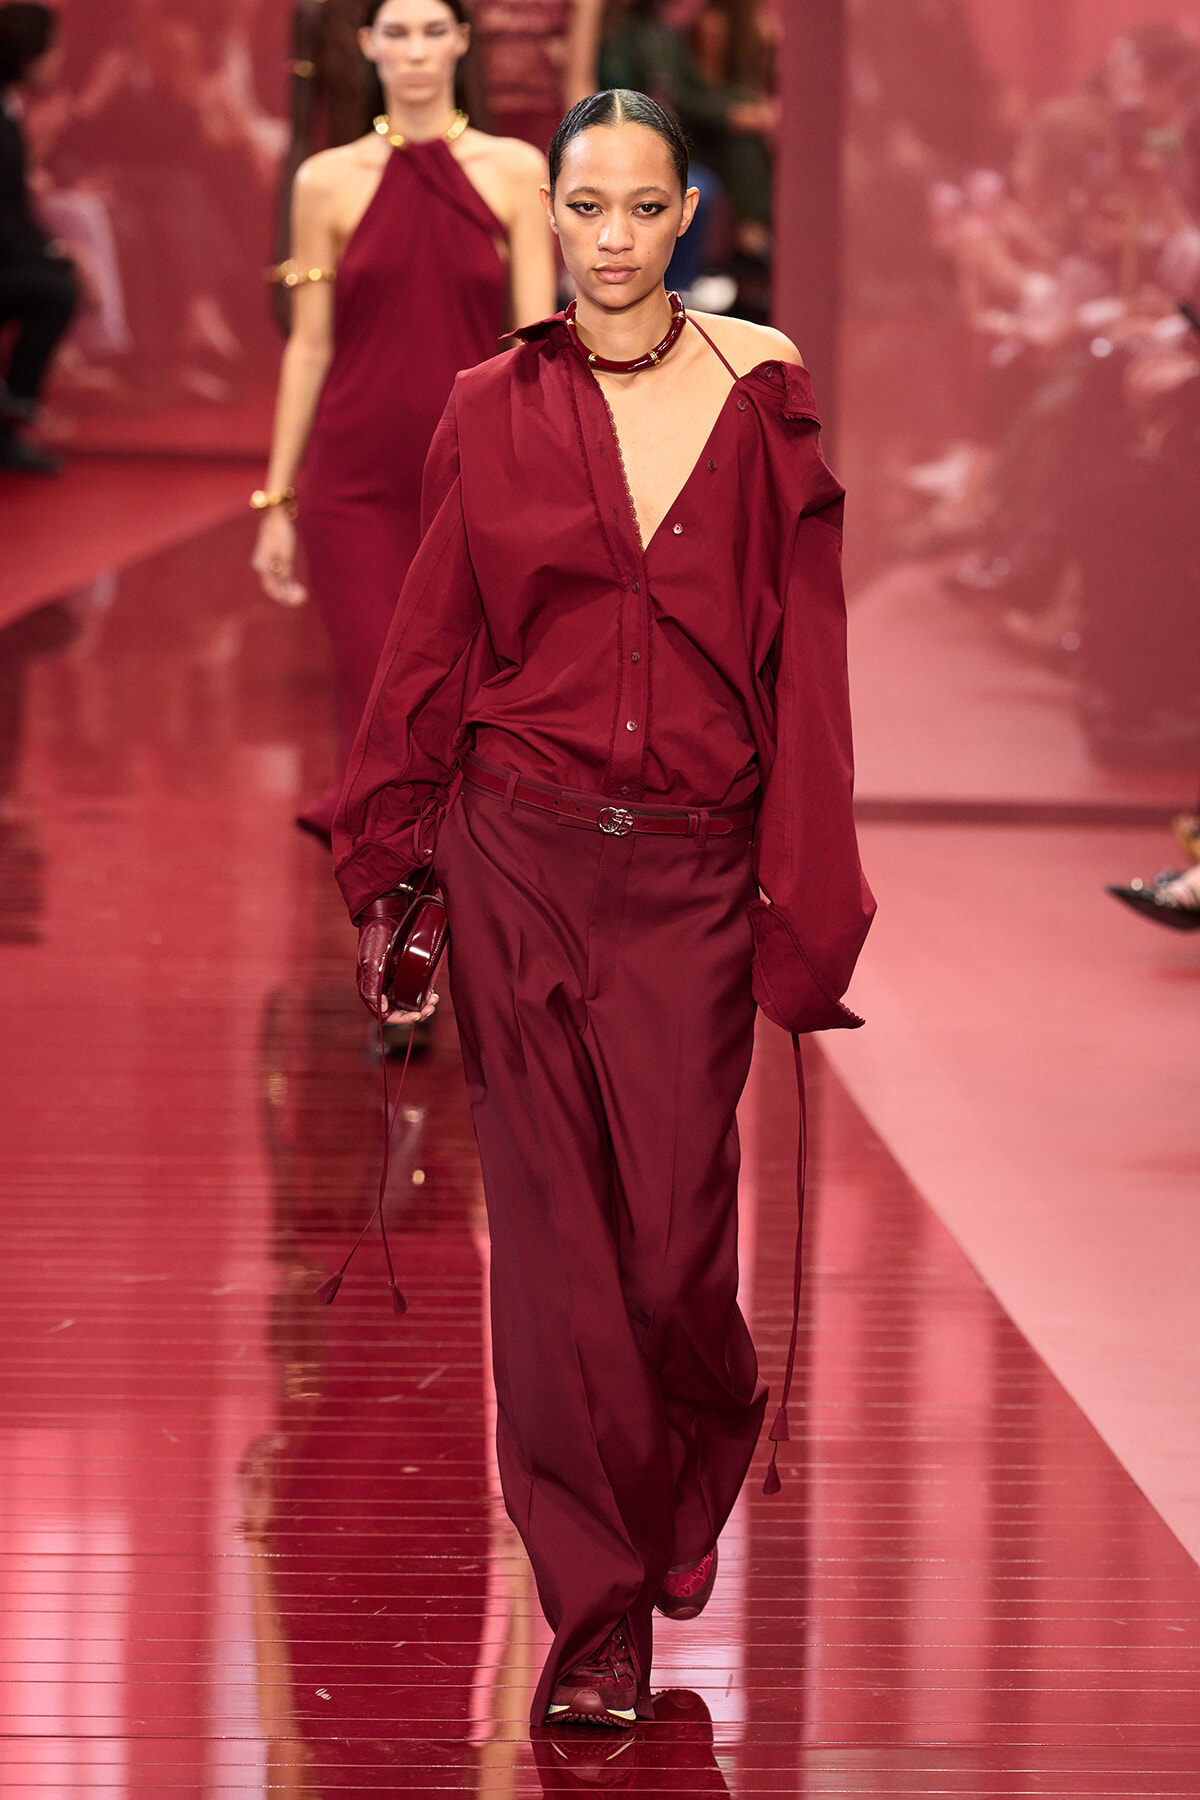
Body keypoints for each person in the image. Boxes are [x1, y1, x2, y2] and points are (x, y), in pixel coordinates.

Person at [332, 89, 874, 1727]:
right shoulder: (487, 404)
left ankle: (691, 1437)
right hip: (520, 856)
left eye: (646, 209)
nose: (616, 238)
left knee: (671, 1248)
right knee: (559, 1253)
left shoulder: (759, 389)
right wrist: (392, 851)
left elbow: (810, 659)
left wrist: (811, 890)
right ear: (549, 217)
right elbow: (433, 639)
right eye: (589, 208)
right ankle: (595, 1614)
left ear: (688, 214)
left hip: (696, 871)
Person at [251, 0, 556, 837]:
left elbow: (531, 344)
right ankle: (389, 871)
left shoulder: (515, 170)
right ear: (366, 45)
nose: (415, 51)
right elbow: (309, 348)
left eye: (432, 31)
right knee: (374, 674)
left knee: (453, 684)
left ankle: (431, 856)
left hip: (470, 470)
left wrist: (536, 477)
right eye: (396, 32)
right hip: (351, 476)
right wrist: (277, 499)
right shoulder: (325, 180)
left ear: (461, 41)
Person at [0, 0, 77, 473]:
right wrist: (55, 256)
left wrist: (56, 253)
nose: (59, 60)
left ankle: (11, 419)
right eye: (53, 50)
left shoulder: (10, 113)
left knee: (57, 280)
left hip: (9, 254)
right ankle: (14, 411)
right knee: (55, 288)